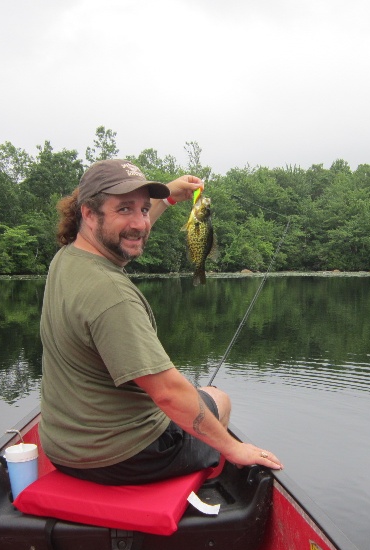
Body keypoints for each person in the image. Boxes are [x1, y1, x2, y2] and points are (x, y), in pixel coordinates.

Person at [38, 159, 283, 485]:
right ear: (88, 213)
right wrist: (234, 449)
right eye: (125, 208)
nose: (140, 222)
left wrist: (167, 197)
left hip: (63, 447)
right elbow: (167, 392)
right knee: (218, 399)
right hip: (122, 456)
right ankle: (201, 488)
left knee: (199, 396)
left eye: (143, 209)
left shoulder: (69, 258)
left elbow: (125, 234)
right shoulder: (112, 296)